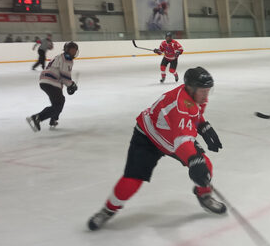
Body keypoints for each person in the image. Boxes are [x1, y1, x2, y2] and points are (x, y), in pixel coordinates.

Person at [87, 66, 225, 231]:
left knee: (205, 165)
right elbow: (182, 141)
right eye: (203, 91)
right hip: (148, 137)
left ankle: (204, 195)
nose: (206, 96)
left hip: (172, 136)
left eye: (208, 91)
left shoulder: (195, 96)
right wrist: (193, 160)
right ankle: (108, 210)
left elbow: (193, 114)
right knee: (132, 181)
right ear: (191, 88)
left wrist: (203, 125)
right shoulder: (179, 104)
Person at [27, 41, 78, 131]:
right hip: (51, 82)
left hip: (44, 81)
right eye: (72, 50)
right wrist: (71, 85)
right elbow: (65, 76)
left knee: (59, 102)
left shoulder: (60, 56)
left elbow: (62, 76)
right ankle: (37, 118)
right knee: (58, 104)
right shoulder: (67, 59)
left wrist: (69, 84)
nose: (73, 52)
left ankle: (53, 119)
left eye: (75, 50)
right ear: (67, 50)